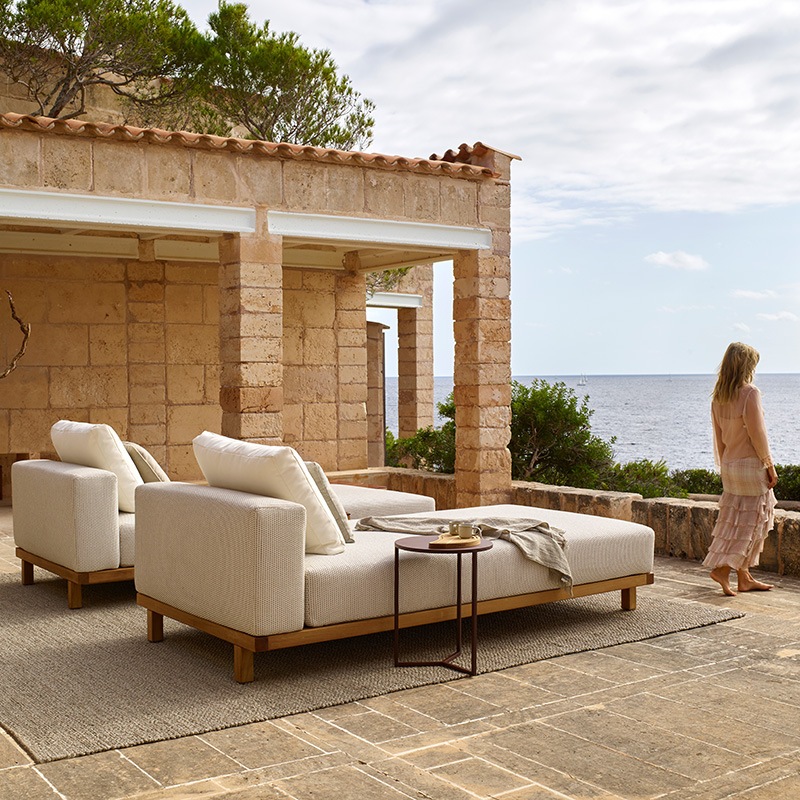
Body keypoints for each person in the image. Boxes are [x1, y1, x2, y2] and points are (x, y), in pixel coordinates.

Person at [703, 342, 778, 596]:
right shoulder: (749, 393)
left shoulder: (718, 397)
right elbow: (758, 434)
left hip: (730, 466)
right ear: (746, 366)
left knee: (734, 520)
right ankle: (723, 569)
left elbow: (719, 439)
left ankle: (744, 577)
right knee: (755, 521)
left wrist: (724, 467)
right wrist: (769, 464)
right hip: (750, 466)